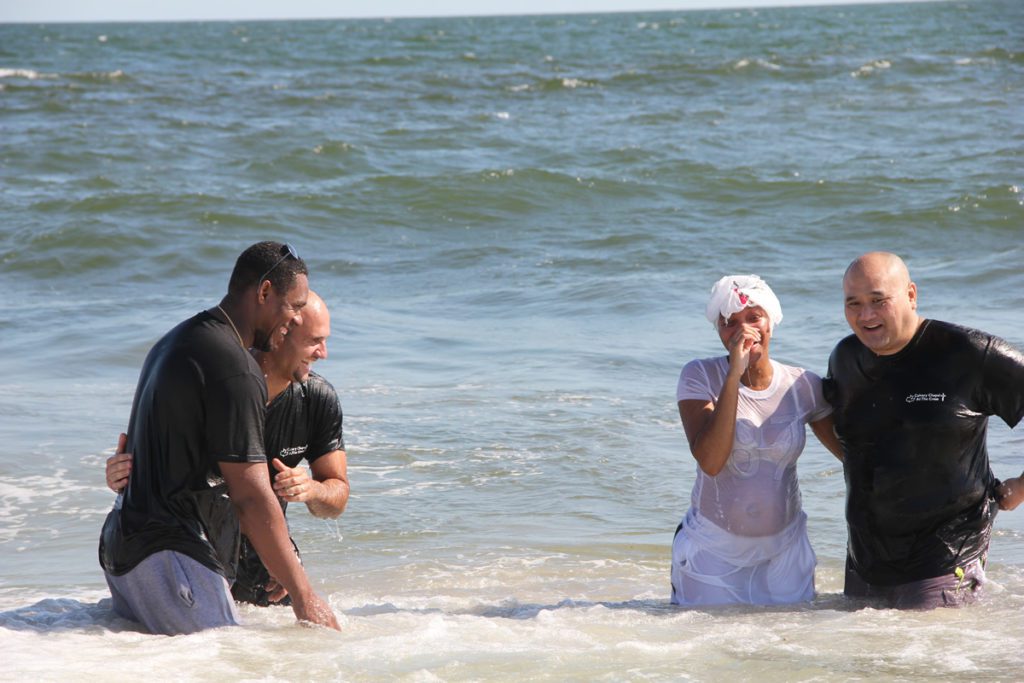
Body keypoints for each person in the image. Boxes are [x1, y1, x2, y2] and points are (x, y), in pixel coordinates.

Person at [98, 241, 340, 634]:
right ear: (264, 293)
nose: (295, 321)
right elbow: (250, 496)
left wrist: (279, 561)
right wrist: (303, 593)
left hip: (126, 557)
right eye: (294, 307)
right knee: (229, 663)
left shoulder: (179, 341)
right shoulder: (235, 368)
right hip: (171, 561)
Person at [824, 251, 1024, 609]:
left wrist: (1021, 487)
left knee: (923, 663)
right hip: (865, 562)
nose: (865, 315)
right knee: (862, 663)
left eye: (878, 301)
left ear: (911, 295)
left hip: (946, 556)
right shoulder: (845, 358)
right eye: (853, 303)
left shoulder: (969, 354)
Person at [671, 275, 843, 606]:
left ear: (771, 322)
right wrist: (734, 375)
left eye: (753, 318)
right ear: (719, 332)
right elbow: (710, 460)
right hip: (713, 551)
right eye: (730, 323)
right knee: (708, 647)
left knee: (786, 649)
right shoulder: (699, 376)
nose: (744, 330)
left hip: (785, 554)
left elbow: (853, 457)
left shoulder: (803, 385)